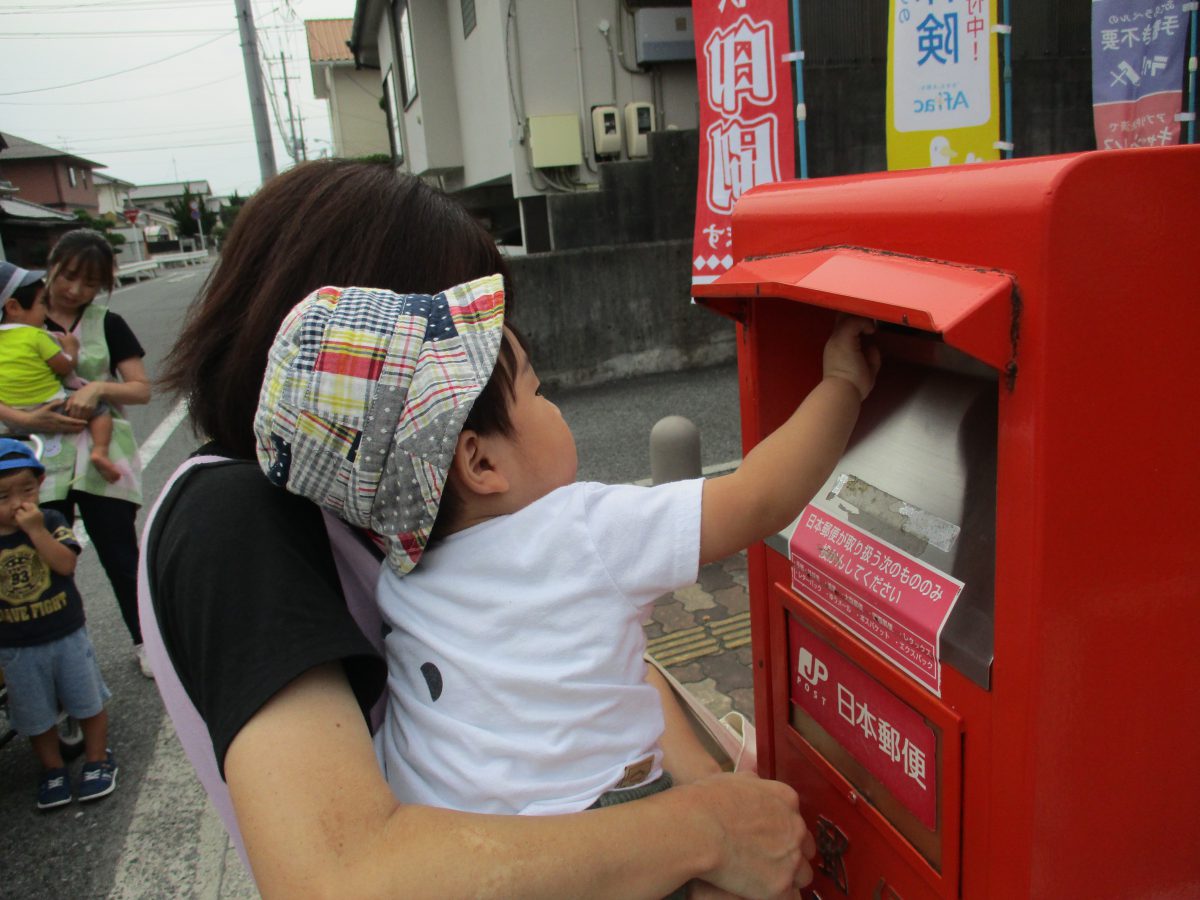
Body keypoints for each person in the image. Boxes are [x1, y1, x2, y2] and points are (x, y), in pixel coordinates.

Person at [144, 159, 817, 899]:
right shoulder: (234, 521)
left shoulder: (386, 508)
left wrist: (708, 794)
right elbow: (341, 877)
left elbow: (567, 663)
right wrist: (703, 830)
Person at [252, 277, 879, 828]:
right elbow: (758, 498)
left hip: (466, 842)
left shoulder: (399, 578)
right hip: (603, 822)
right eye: (538, 391)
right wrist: (843, 383)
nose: (554, 405)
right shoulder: (580, 528)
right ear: (480, 462)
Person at [0, 231, 154, 679]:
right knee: (34, 555)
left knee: (120, 554)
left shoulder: (109, 323)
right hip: (33, 462)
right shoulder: (18, 314)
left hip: (99, 456)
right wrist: (23, 419)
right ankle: (54, 656)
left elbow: (141, 389)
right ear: (52, 266)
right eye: (68, 276)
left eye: (90, 283)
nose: (75, 290)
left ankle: (146, 640)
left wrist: (100, 388)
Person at [0, 438, 119, 809]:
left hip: (65, 633)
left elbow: (65, 564)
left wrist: (36, 532)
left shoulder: (50, 520)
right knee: (34, 715)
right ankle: (52, 769)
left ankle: (98, 758)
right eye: (3, 496)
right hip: (15, 645)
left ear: (40, 485)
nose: (18, 503)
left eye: (27, 490)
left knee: (86, 699)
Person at [0, 262, 122, 483]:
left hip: (11, 420)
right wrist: (71, 349)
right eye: (41, 303)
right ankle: (100, 452)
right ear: (13, 307)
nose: (45, 311)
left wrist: (21, 418)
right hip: (51, 403)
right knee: (101, 410)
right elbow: (65, 366)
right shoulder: (37, 336)